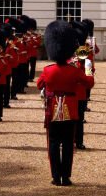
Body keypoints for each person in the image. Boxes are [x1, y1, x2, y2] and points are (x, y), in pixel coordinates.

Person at [38, 20, 94, 187]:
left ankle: (56, 176)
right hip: (70, 108)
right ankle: (66, 177)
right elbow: (89, 83)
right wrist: (88, 68)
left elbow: (39, 84)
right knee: (68, 144)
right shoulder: (75, 70)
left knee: (54, 144)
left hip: (53, 108)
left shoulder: (48, 70)